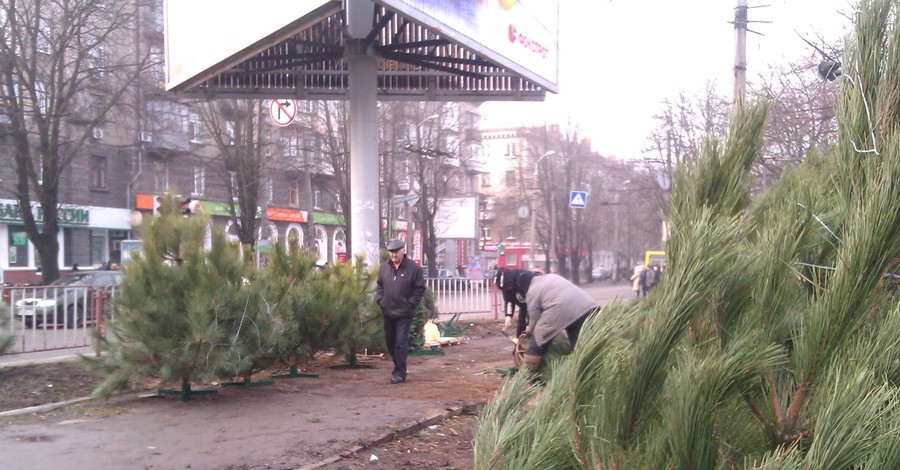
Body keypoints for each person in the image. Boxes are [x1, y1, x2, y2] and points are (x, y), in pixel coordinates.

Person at [516, 271, 601, 373]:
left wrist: (529, 332)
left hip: (561, 308)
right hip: (588, 308)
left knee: (538, 339)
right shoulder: (551, 277)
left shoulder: (531, 291)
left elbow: (534, 318)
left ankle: (529, 373)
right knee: (580, 345)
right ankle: (589, 371)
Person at [375, 239, 426, 384]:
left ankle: (399, 372)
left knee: (400, 342)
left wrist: (410, 304)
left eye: (396, 252)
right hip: (388, 311)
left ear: (403, 250)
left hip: (404, 313)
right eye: (391, 252)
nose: (393, 255)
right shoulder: (384, 268)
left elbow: (419, 289)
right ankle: (397, 366)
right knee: (390, 341)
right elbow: (379, 285)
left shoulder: (413, 269)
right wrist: (380, 300)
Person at [495, 268, 529, 337]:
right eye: (504, 289)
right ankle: (520, 345)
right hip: (524, 306)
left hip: (536, 304)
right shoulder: (505, 287)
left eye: (508, 287)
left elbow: (534, 299)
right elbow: (509, 301)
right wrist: (508, 317)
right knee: (521, 326)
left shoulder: (524, 277)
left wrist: (529, 323)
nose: (507, 290)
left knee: (532, 326)